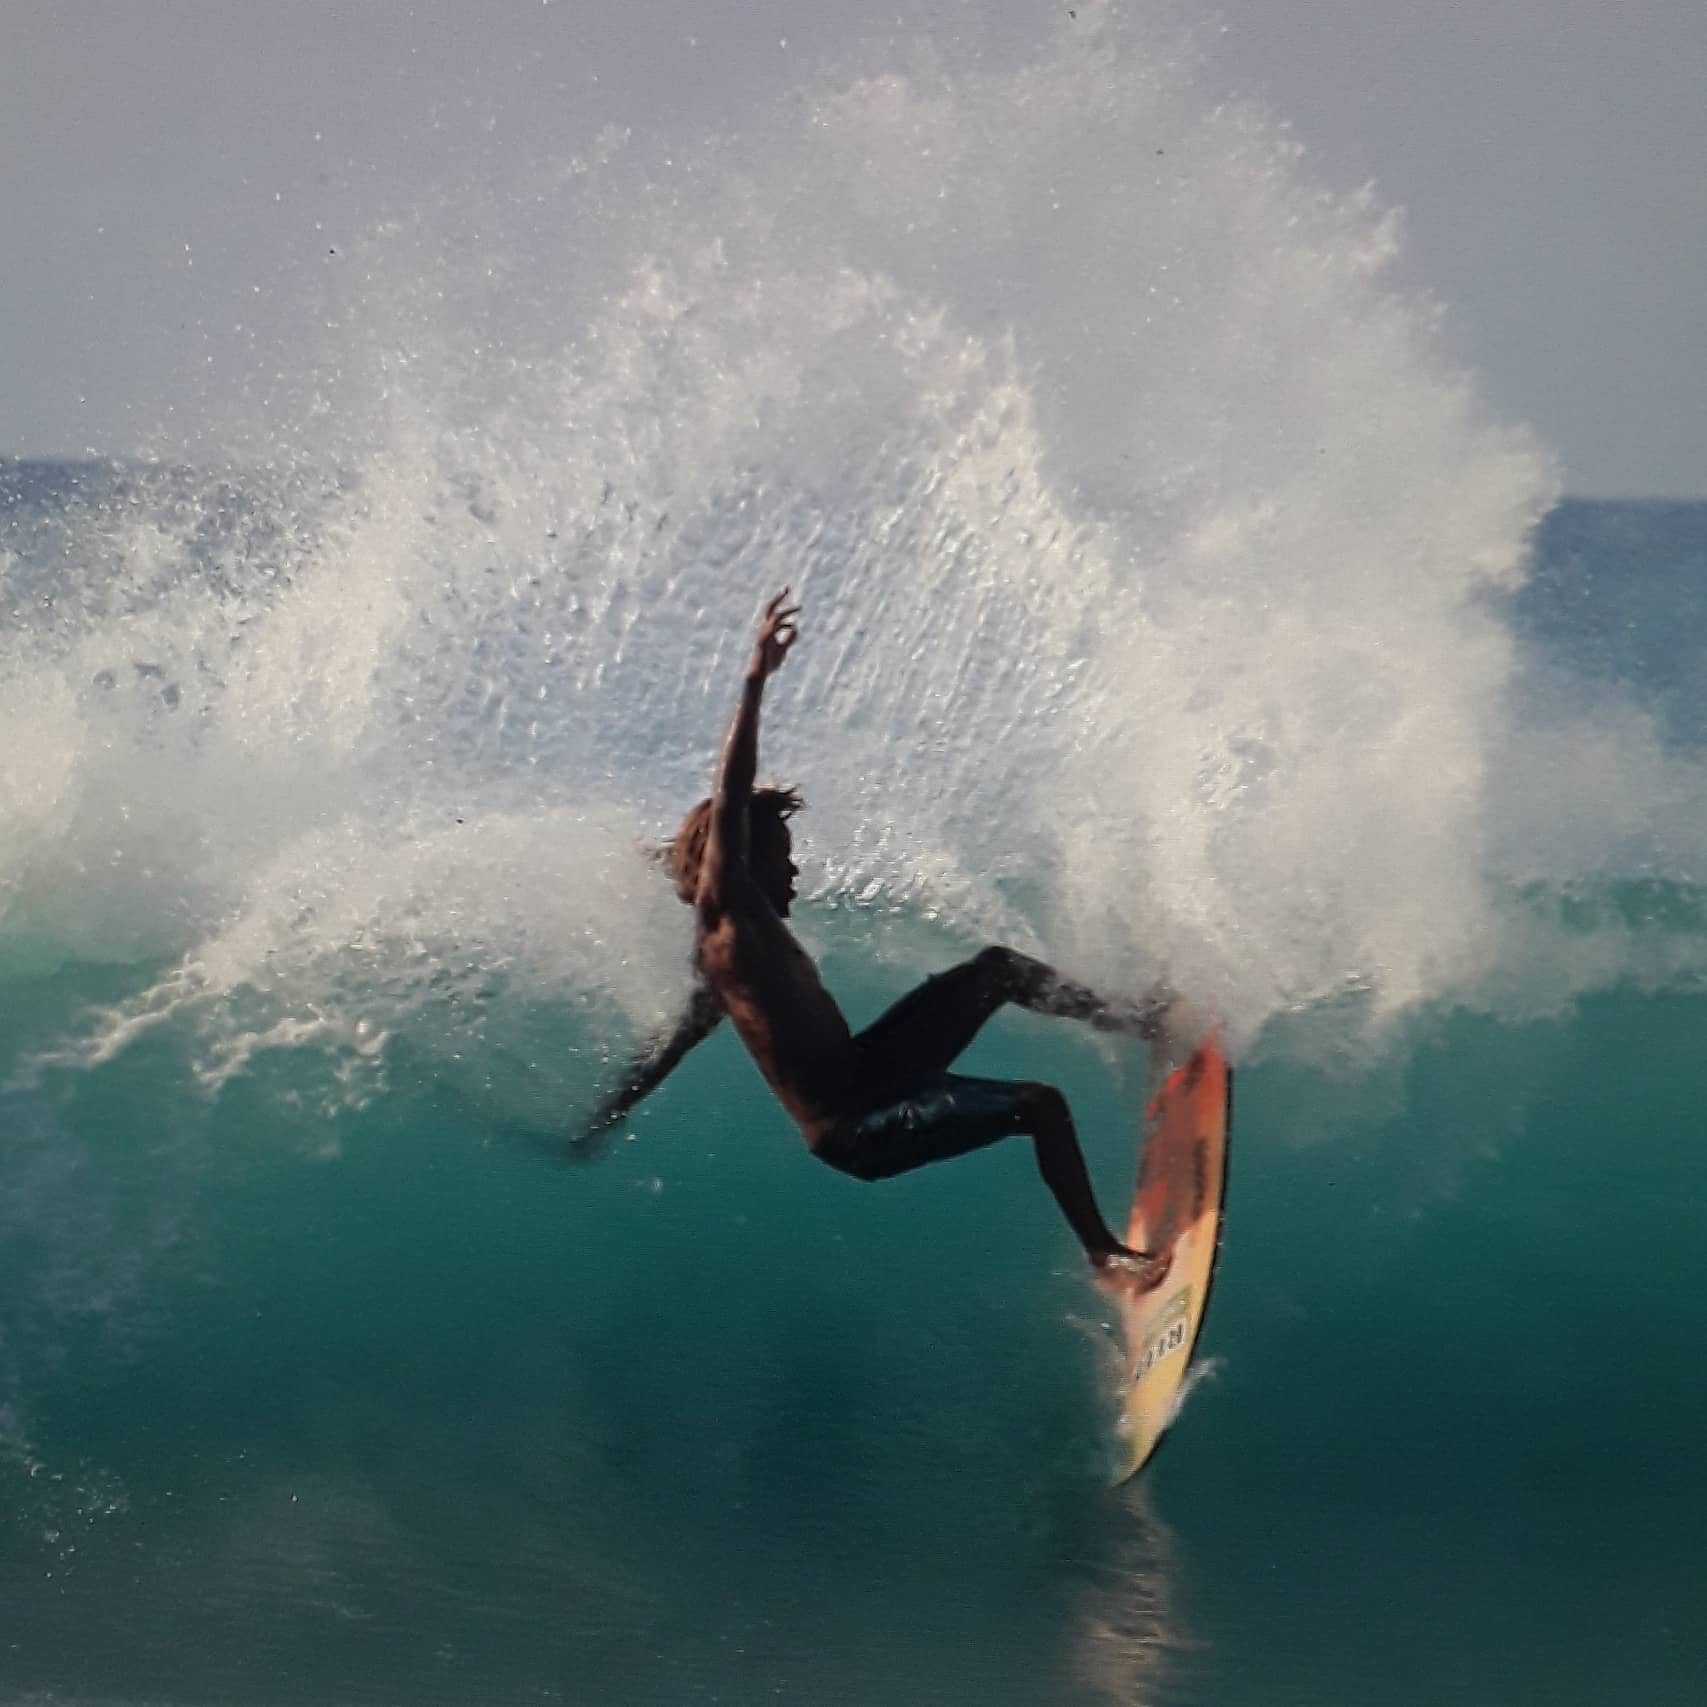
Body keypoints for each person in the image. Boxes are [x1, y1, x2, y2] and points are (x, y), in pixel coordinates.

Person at [584, 591, 1165, 1274]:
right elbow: (730, 794)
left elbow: (664, 1051)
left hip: (869, 1070)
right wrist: (754, 678)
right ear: (741, 861)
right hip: (855, 1127)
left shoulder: (734, 968)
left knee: (995, 968)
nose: (794, 867)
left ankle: (1139, 1020)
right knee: (1038, 1105)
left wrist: (603, 1117)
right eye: (783, 854)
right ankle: (1104, 1255)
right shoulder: (728, 922)